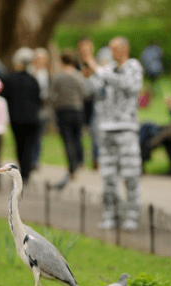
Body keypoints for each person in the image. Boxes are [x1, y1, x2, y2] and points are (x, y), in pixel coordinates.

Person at [83, 36, 144, 231]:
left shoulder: (133, 67)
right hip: (105, 130)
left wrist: (99, 70)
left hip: (126, 129)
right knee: (108, 176)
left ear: (124, 49)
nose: (111, 53)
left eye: (114, 49)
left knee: (130, 174)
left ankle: (133, 215)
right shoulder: (106, 71)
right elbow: (90, 90)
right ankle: (110, 214)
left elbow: (130, 86)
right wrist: (88, 74)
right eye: (109, 49)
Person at [1, 47, 41, 185]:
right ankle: (26, 173)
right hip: (32, 118)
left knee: (19, 145)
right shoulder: (33, 80)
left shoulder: (10, 79)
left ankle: (22, 172)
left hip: (16, 118)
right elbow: (38, 99)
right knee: (29, 146)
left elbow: (5, 97)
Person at [50, 50, 85, 189]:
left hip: (63, 111)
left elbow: (52, 95)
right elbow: (84, 92)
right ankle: (79, 161)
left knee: (67, 139)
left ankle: (72, 166)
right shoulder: (78, 76)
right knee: (77, 137)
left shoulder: (58, 77)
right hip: (77, 110)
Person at [77, 36, 98, 169]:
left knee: (95, 132)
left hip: (94, 103)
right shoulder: (75, 65)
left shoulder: (97, 65)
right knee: (78, 133)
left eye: (87, 48)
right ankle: (80, 161)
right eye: (82, 48)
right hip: (79, 103)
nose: (84, 51)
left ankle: (96, 160)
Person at [28, 47, 51, 171]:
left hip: (41, 107)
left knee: (38, 137)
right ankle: (28, 159)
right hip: (29, 107)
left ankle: (35, 160)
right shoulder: (29, 72)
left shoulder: (46, 73)